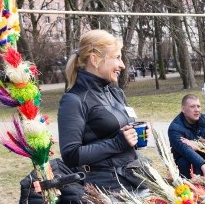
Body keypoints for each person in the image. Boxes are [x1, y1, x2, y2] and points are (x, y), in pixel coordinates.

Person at [58, 29, 144, 192]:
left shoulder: (116, 92)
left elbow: (119, 135)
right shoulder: (74, 100)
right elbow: (71, 155)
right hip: (108, 189)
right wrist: (118, 143)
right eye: (117, 58)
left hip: (134, 177)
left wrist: (134, 136)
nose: (122, 65)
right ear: (95, 59)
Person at [168, 94, 205, 178]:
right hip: (187, 162)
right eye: (192, 106)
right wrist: (204, 167)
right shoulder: (174, 128)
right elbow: (186, 151)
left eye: (198, 106)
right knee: (184, 162)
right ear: (183, 109)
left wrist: (199, 146)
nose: (197, 110)